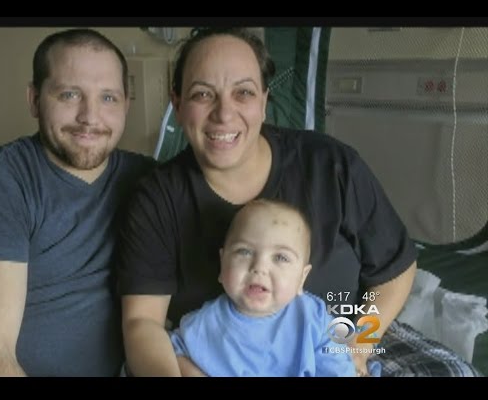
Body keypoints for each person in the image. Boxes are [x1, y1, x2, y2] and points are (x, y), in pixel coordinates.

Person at [117, 27, 417, 377]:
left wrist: (358, 348)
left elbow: (395, 271)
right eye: (202, 94)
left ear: (263, 102)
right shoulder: (156, 199)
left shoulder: (330, 164)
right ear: (178, 106)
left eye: (243, 93)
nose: (224, 114)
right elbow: (143, 323)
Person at [0, 29, 154, 376]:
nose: (90, 116)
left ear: (127, 104)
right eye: (70, 94)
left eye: (109, 98)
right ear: (34, 99)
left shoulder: (146, 180)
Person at [169, 198, 361, 377]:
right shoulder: (203, 323)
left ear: (301, 279)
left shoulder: (314, 319)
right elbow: (169, 351)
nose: (259, 267)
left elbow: (339, 368)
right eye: (244, 251)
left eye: (280, 257)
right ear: (223, 263)